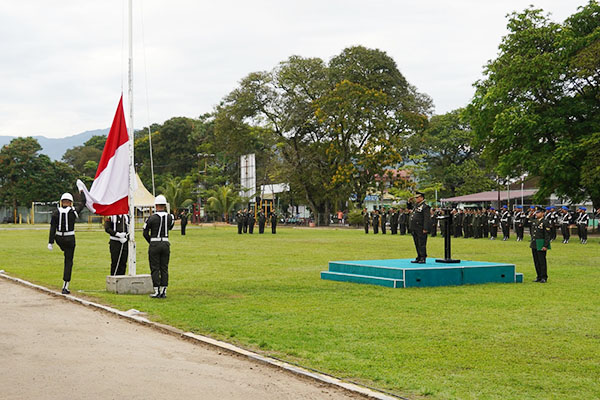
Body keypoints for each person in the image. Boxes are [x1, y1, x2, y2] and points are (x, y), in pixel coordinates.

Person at [47, 192, 85, 294]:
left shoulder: (55, 212)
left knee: (66, 253)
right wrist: (82, 192)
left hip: (59, 238)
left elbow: (52, 228)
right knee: (68, 261)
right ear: (71, 202)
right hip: (69, 239)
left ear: (61, 202)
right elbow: (83, 203)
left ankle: (65, 285)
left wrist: (50, 242)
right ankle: (65, 286)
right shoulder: (73, 212)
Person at [143, 195, 174, 298]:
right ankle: (164, 290)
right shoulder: (170, 217)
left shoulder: (151, 218)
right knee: (164, 267)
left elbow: (145, 232)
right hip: (165, 243)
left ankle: (156, 290)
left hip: (155, 243)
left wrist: (151, 242)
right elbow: (170, 227)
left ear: (156, 205)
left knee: (155, 267)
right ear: (165, 205)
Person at [408, 191, 431, 263]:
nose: (416, 199)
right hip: (415, 227)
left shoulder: (425, 206)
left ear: (422, 198)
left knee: (422, 243)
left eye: (417, 197)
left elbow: (427, 218)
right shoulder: (417, 205)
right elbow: (409, 208)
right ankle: (419, 256)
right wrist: (409, 202)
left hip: (420, 227)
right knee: (416, 242)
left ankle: (423, 257)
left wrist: (425, 228)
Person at [530, 207, 551, 283]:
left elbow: (547, 235)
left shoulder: (545, 222)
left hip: (541, 243)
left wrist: (545, 245)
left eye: (538, 212)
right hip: (534, 243)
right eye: (536, 212)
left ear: (542, 213)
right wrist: (531, 215)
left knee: (542, 260)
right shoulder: (534, 221)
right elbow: (526, 223)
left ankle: (544, 277)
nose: (536, 214)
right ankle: (538, 276)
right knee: (536, 261)